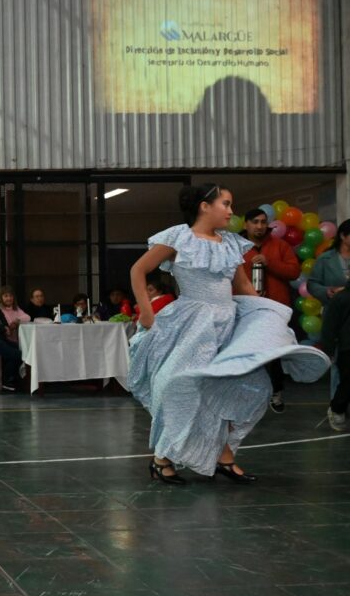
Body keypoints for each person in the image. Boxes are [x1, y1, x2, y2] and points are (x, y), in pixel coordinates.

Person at [128, 183, 328, 485]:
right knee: (181, 386)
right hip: (193, 324)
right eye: (225, 204)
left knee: (246, 386)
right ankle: (163, 457)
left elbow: (244, 286)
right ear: (204, 206)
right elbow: (138, 270)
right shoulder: (179, 237)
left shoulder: (231, 243)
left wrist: (267, 318)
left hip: (228, 323)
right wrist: (146, 311)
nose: (231, 211)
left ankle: (224, 456)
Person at [240, 207, 301, 413]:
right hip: (246, 308)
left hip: (276, 308)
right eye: (255, 222)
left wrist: (270, 263)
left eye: (263, 222)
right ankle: (247, 395)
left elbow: (294, 272)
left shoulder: (280, 245)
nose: (259, 226)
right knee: (246, 352)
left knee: (274, 352)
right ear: (246, 224)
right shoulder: (236, 248)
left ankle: (276, 392)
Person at [320, 284, 350, 432]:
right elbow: (329, 326)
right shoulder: (341, 298)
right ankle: (337, 409)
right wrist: (328, 349)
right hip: (347, 347)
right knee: (348, 381)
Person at [307, 219, 350, 305]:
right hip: (335, 308)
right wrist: (327, 291)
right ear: (342, 236)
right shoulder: (325, 258)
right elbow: (312, 284)